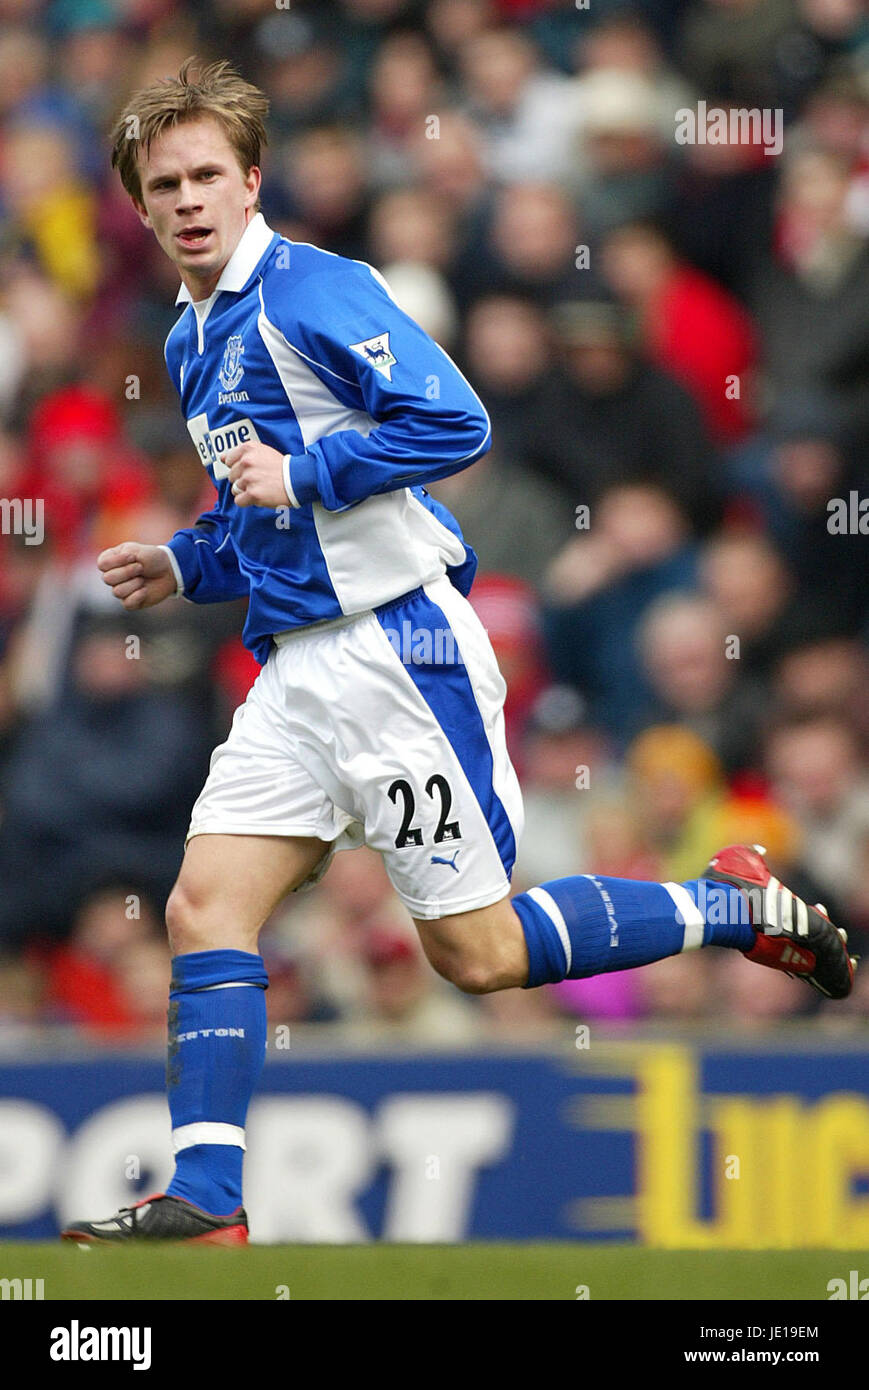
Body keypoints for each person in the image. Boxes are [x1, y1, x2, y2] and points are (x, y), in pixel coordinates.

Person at [62, 59, 856, 1246]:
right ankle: (211, 1200)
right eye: (163, 182)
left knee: (477, 956)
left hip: (393, 653)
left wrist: (309, 472)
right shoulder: (190, 341)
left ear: (250, 179)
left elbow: (454, 418)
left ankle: (725, 906)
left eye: (206, 175)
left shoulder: (313, 290)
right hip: (294, 672)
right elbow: (263, 515)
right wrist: (186, 564)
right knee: (200, 904)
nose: (187, 199)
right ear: (137, 203)